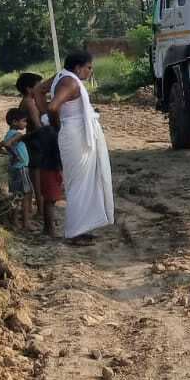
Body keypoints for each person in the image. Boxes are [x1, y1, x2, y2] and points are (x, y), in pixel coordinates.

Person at [45, 51, 113, 243]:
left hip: (75, 133)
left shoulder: (61, 76)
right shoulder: (71, 82)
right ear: (77, 67)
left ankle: (82, 227)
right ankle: (75, 232)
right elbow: (52, 107)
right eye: (89, 67)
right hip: (74, 134)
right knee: (78, 185)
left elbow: (39, 91)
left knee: (84, 183)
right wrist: (56, 124)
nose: (90, 71)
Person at [18, 73, 63, 235]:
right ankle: (42, 212)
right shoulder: (30, 102)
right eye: (39, 85)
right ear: (29, 88)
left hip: (35, 141)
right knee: (38, 178)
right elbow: (38, 125)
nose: (42, 88)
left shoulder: (28, 101)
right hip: (37, 142)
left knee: (38, 177)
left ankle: (40, 212)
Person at [0, 108, 33, 225]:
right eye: (24, 121)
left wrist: (10, 154)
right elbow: (7, 144)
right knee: (26, 194)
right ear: (15, 122)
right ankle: (26, 223)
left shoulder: (8, 134)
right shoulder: (18, 134)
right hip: (21, 168)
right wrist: (15, 155)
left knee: (16, 195)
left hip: (13, 168)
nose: (25, 124)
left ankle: (15, 222)